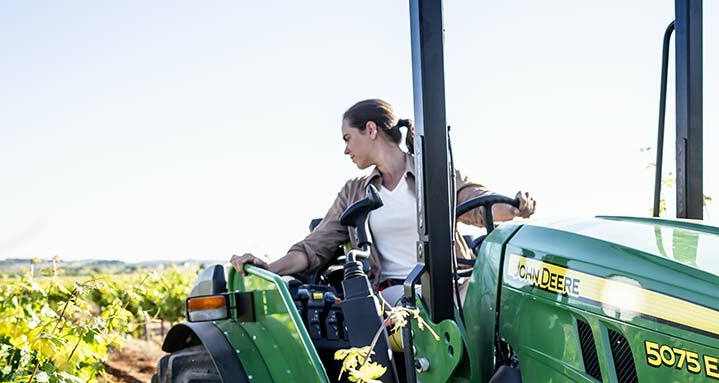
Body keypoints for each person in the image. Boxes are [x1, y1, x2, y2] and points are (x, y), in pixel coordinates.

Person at [229, 98, 534, 308]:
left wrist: (515, 208)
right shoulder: (353, 193)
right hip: (392, 301)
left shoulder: (434, 174)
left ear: (371, 130)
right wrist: (268, 267)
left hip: (450, 293)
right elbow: (314, 248)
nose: (346, 150)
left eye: (348, 138)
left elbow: (478, 203)